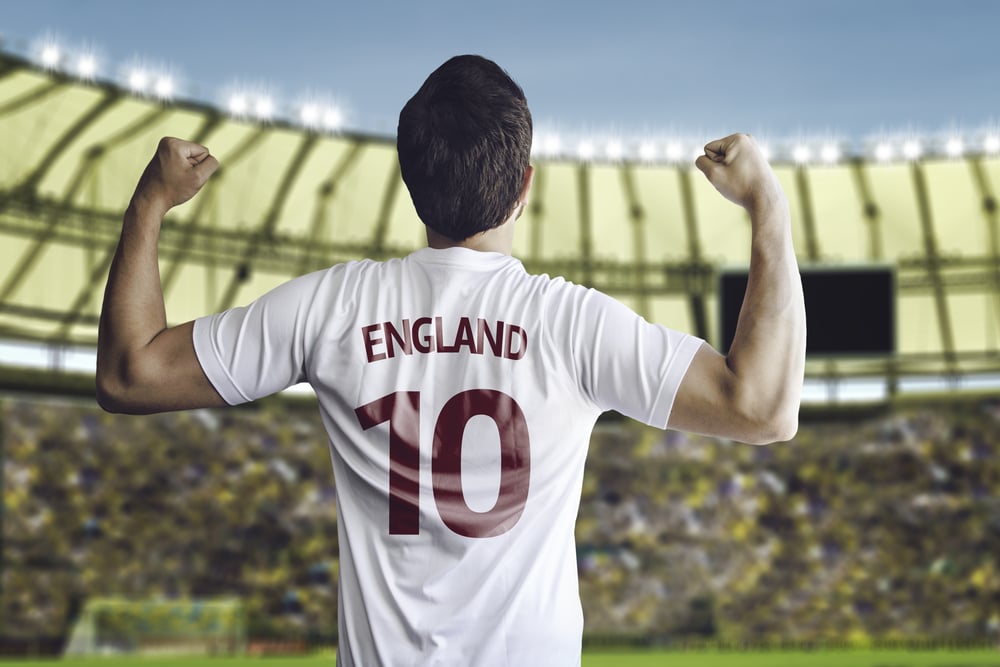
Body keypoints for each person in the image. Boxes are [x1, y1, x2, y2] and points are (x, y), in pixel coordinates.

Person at [96, 55, 806, 666]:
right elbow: (763, 408)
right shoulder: (571, 323)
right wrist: (767, 204)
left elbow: (130, 375)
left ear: (413, 184)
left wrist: (151, 201)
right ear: (524, 185)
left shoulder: (333, 306)